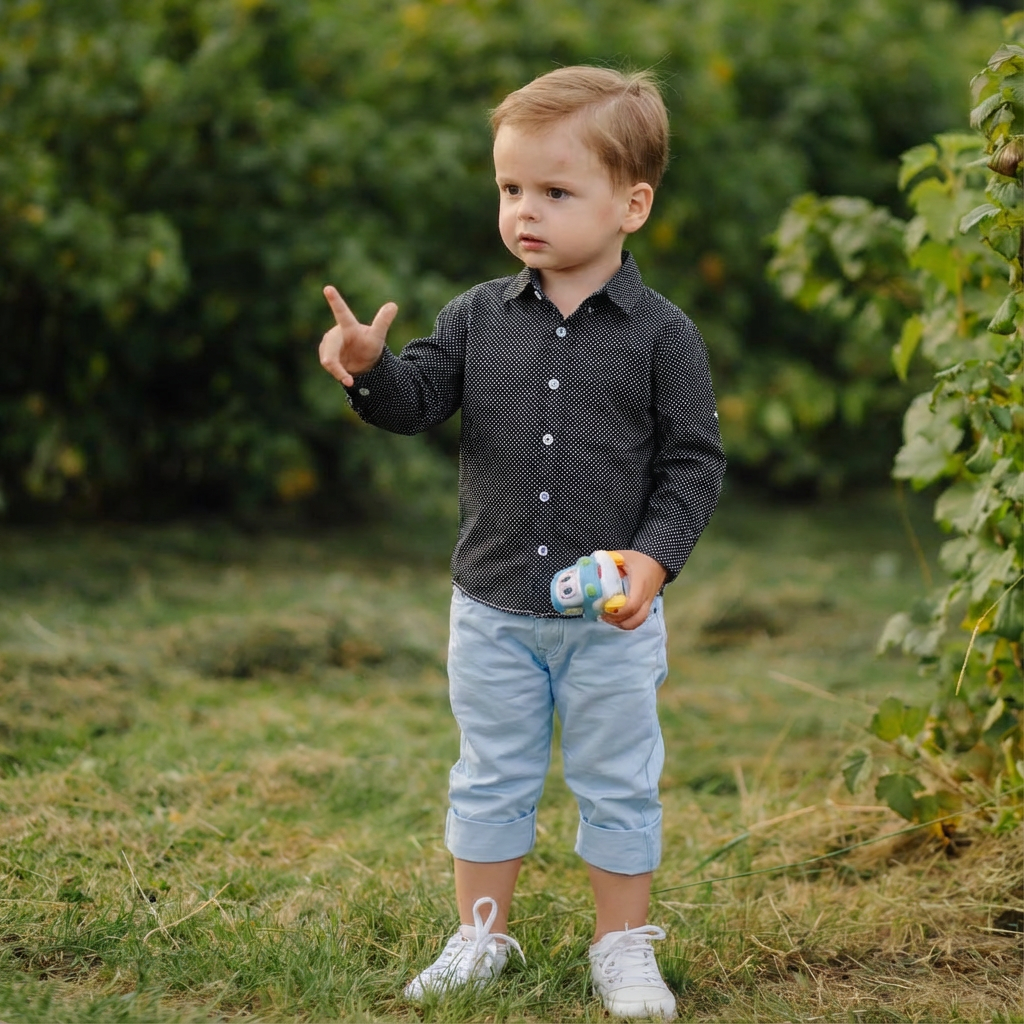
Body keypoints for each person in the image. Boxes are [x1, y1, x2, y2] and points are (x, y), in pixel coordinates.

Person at [318, 64, 725, 1020]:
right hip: (492, 607)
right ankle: (481, 935)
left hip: (609, 620)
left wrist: (652, 564)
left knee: (619, 779)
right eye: (509, 189)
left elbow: (693, 467)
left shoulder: (666, 338)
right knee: (490, 771)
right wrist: (370, 373)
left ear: (633, 204)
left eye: (553, 191)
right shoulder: (473, 317)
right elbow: (416, 402)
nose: (524, 212)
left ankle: (622, 947)